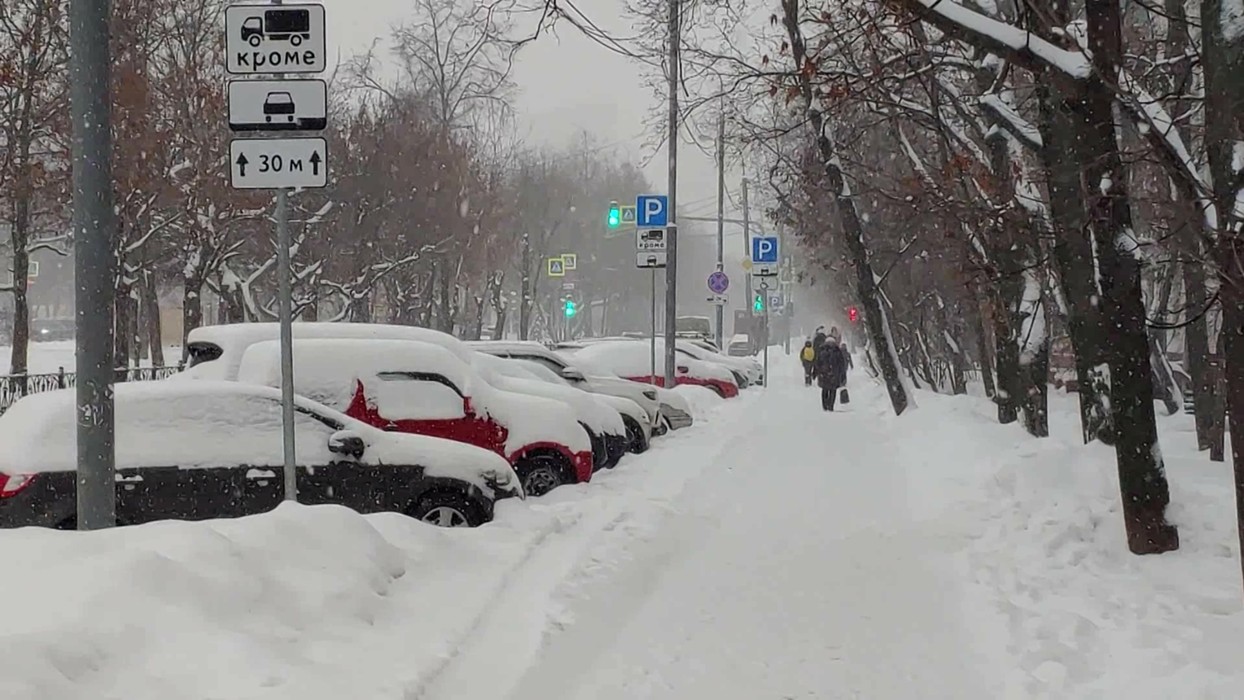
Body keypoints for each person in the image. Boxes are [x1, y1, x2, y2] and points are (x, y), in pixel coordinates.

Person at [814, 327, 849, 411]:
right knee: (833, 390)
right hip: (834, 374)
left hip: (824, 374)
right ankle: (830, 405)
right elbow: (841, 364)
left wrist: (816, 373)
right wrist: (842, 376)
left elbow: (817, 363)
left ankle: (825, 405)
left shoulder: (821, 351)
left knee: (825, 389)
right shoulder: (837, 351)